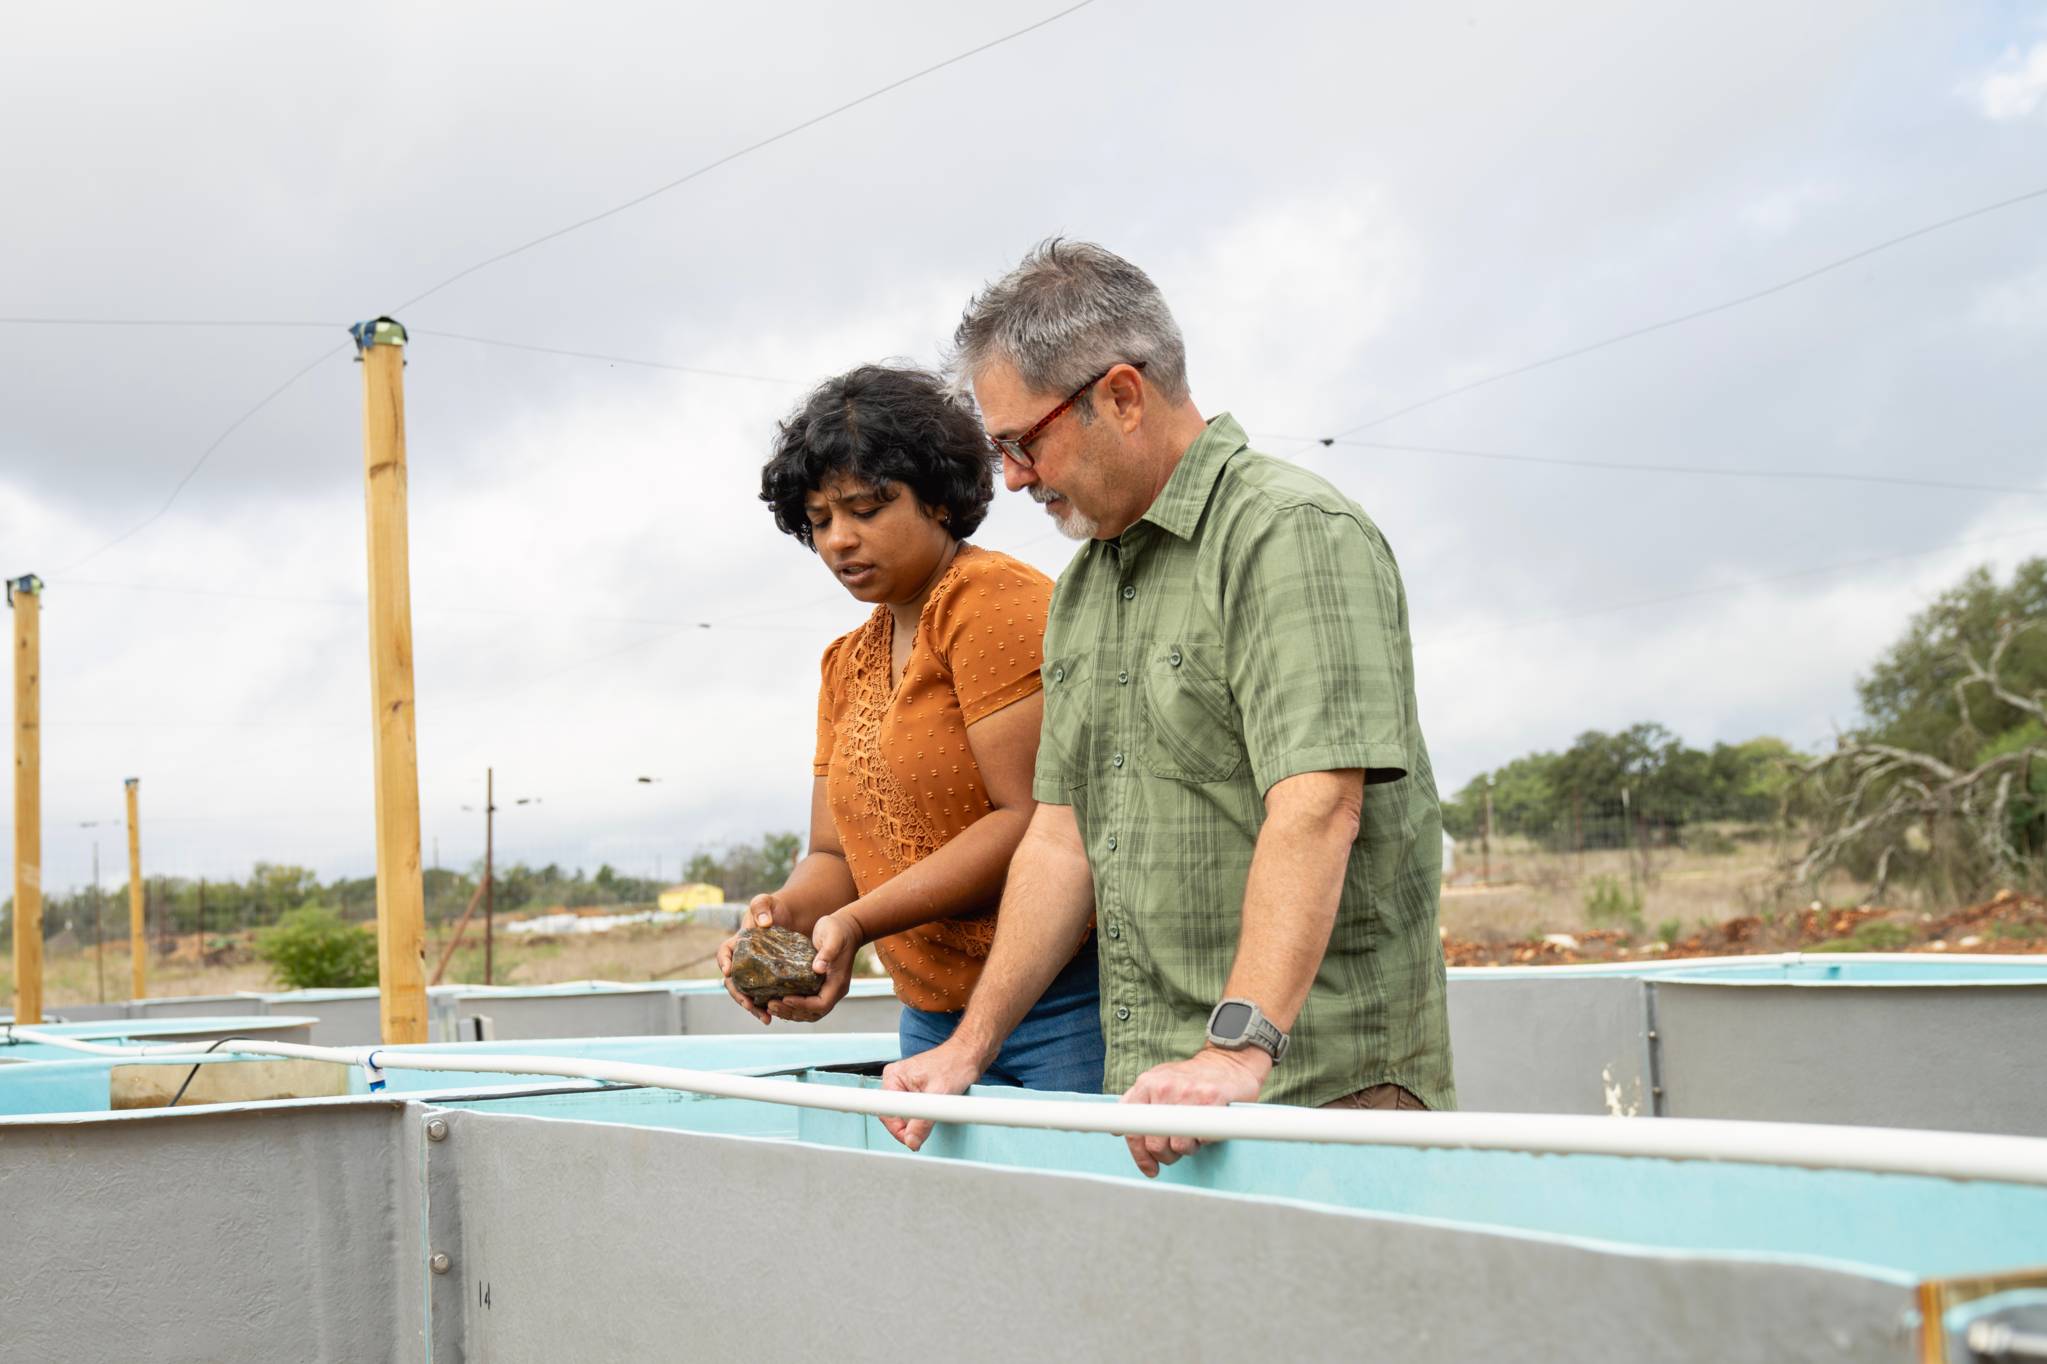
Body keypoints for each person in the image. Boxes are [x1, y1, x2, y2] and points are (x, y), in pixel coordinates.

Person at [880, 241, 1455, 1174]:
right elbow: (1062, 840)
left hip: (1309, 1092)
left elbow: (1316, 806)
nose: (1015, 477)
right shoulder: (1086, 588)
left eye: (1023, 442)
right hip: (1159, 1096)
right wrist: (967, 1050)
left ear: (1119, 395)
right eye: (1001, 451)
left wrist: (1232, 1050)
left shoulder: (1287, 534)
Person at [718, 363, 1103, 1094]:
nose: (838, 540)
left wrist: (859, 923)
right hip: (928, 1009)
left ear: (940, 501)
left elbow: (1028, 818)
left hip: (1061, 999)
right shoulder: (845, 661)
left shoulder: (989, 602)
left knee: (1077, 1204)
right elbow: (832, 852)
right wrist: (786, 919)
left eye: (867, 508)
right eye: (820, 518)